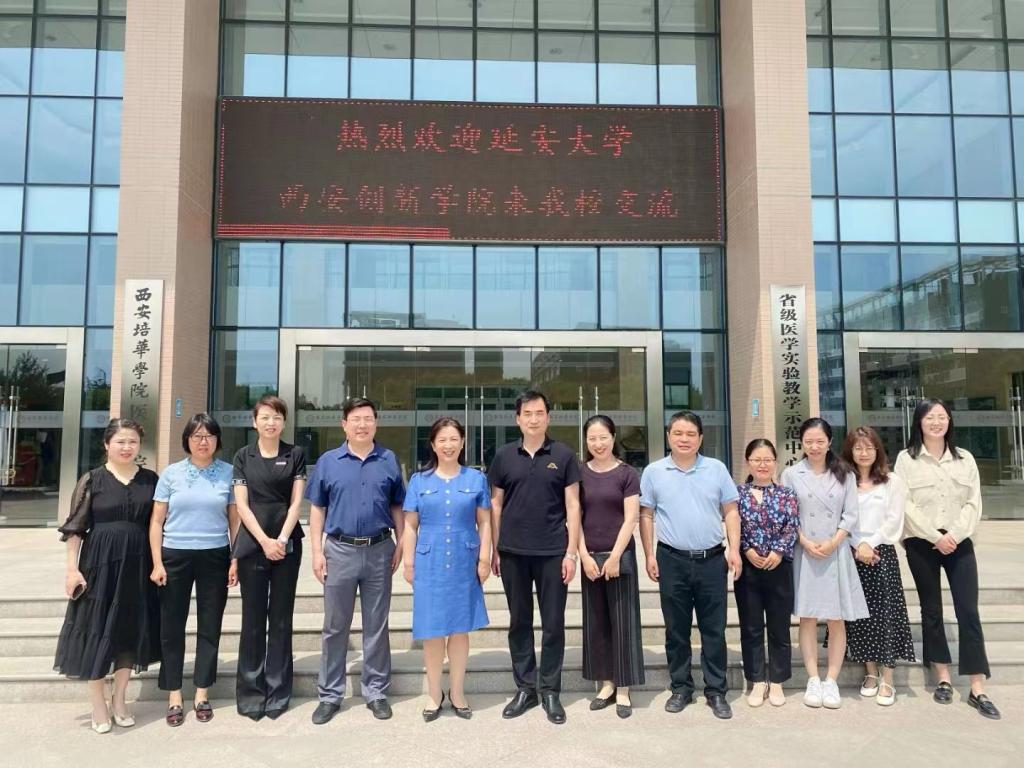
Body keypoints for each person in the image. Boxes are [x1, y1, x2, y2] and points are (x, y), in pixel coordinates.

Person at [894, 399, 1000, 719]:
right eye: (930, 417)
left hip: (959, 541)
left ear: (950, 421)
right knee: (931, 609)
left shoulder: (964, 458)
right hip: (921, 542)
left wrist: (954, 534)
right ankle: (942, 677)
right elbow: (905, 504)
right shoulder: (906, 459)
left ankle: (977, 687)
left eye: (942, 417)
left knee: (968, 611)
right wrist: (934, 536)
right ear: (919, 422)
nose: (937, 422)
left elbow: (973, 503)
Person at [54, 418, 161, 733]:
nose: (127, 447)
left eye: (132, 442)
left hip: (138, 564)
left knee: (129, 629)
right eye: (120, 441)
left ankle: (120, 699)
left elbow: (158, 524)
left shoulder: (150, 480)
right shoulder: (92, 480)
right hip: (99, 563)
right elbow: (75, 528)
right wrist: (72, 569)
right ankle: (98, 703)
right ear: (106, 445)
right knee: (97, 627)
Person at [305, 396, 406, 725]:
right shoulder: (328, 461)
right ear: (344, 425)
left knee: (376, 625)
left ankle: (375, 691)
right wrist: (316, 551)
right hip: (340, 550)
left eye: (368, 419)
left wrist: (402, 542)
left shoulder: (388, 459)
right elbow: (317, 508)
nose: (362, 425)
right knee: (335, 626)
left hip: (379, 550)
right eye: (356, 419)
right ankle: (330, 695)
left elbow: (397, 505)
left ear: (376, 423)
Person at [639, 410, 742, 720]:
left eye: (690, 434)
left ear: (700, 438)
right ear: (668, 436)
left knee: (714, 629)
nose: (684, 439)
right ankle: (681, 687)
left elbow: (731, 511)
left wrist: (734, 549)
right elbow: (646, 515)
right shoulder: (654, 471)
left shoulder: (716, 469)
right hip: (671, 559)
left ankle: (716, 690)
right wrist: (649, 554)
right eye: (678, 433)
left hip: (712, 560)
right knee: (676, 630)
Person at [488, 389, 581, 725]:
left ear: (548, 417)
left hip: (553, 551)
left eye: (539, 413)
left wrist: (571, 553)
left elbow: (573, 505)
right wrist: (495, 548)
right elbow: (495, 504)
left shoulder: (564, 455)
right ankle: (526, 688)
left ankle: (551, 690)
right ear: (517, 419)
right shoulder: (503, 456)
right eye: (527, 413)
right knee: (520, 623)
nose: (533, 419)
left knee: (553, 624)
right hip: (512, 552)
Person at [149, 413, 238, 727]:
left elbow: (235, 520)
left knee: (210, 624)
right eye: (197, 436)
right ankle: (174, 693)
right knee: (171, 626)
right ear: (187, 440)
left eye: (209, 436)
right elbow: (156, 521)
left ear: (217, 440)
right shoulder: (171, 474)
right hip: (175, 555)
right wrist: (157, 562)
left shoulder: (228, 473)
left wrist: (235, 558)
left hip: (215, 554)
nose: (203, 441)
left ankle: (202, 691)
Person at [401, 417, 491, 722]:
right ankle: (433, 693)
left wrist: (484, 558)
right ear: (433, 444)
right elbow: (410, 526)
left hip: (465, 560)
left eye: (454, 439)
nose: (448, 445)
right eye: (442, 440)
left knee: (459, 629)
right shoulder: (419, 481)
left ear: (462, 443)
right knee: (432, 630)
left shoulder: (476, 479)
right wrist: (409, 562)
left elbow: (485, 522)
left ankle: (458, 692)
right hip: (430, 562)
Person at [781, 417, 868, 711]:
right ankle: (813, 679)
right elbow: (787, 515)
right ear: (801, 443)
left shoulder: (845, 473)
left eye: (820, 441)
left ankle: (831, 680)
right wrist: (804, 541)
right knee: (806, 616)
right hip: (805, 551)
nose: (814, 446)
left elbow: (851, 514)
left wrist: (834, 541)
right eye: (809, 441)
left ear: (830, 442)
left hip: (835, 551)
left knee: (835, 617)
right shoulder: (791, 474)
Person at [231, 395, 307, 720]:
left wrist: (282, 539)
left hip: (287, 543)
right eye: (264, 417)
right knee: (252, 619)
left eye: (276, 417)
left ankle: (278, 692)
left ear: (284, 422)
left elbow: (296, 503)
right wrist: (264, 541)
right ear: (254, 422)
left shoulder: (295, 454)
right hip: (253, 544)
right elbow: (241, 505)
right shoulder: (242, 456)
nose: (271, 422)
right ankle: (251, 693)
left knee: (280, 619)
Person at [839, 426, 915, 707]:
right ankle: (870, 672)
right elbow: (841, 517)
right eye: (858, 448)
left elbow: (894, 520)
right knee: (859, 617)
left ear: (877, 450)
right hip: (852, 553)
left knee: (887, 614)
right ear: (850, 451)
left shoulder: (892, 481)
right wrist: (858, 545)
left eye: (869, 447)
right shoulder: (843, 481)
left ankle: (888, 678)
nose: (863, 453)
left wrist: (869, 544)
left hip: (881, 554)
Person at [578, 415, 644, 719]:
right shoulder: (579, 473)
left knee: (623, 622)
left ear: (613, 438)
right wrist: (583, 555)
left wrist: (615, 556)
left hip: (620, 558)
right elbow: (573, 517)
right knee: (597, 623)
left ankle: (624, 688)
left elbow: (631, 518)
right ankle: (606, 684)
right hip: (590, 559)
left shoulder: (627, 473)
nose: (598, 443)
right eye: (592, 438)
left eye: (603, 437)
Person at [733, 438, 798, 708]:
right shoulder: (737, 494)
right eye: (757, 460)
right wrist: (746, 549)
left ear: (775, 462)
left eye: (768, 460)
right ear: (748, 462)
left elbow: (792, 525)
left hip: (779, 567)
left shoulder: (787, 494)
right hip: (748, 568)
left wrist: (778, 552)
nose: (762, 465)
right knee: (751, 627)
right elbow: (733, 526)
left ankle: (778, 680)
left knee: (779, 627)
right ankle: (757, 680)